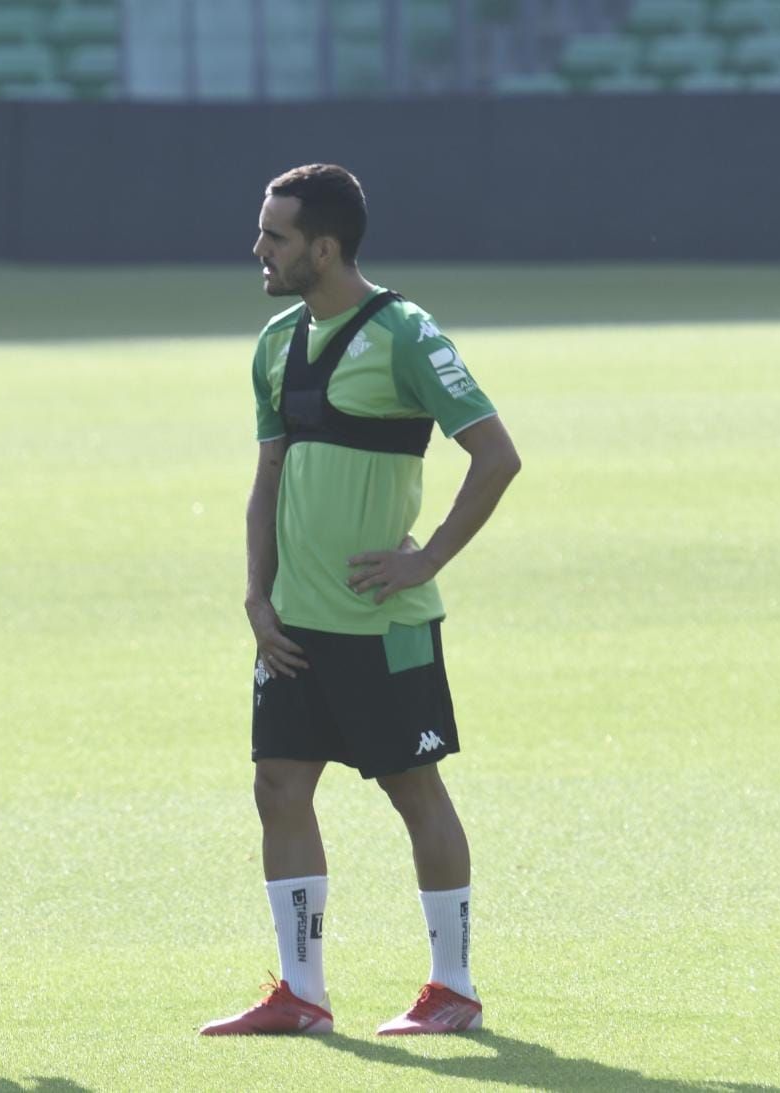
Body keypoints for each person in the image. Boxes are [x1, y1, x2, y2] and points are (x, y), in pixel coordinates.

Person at [201, 164, 521, 1038]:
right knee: (278, 786)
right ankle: (302, 993)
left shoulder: (408, 335)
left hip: (383, 627)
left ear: (325, 247)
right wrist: (256, 597)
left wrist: (430, 559)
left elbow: (496, 456)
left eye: (275, 236)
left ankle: (452, 985)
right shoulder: (274, 342)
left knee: (414, 791)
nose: (258, 249)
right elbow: (267, 477)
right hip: (293, 626)